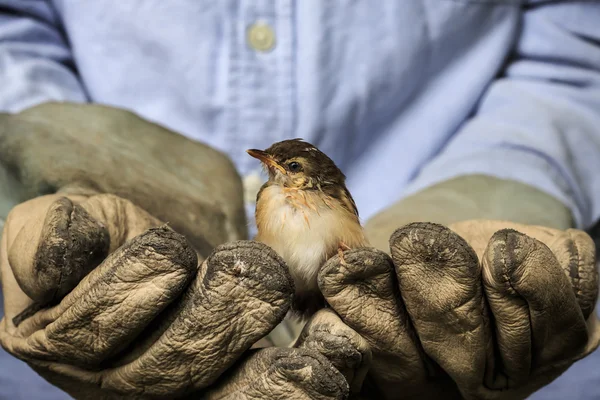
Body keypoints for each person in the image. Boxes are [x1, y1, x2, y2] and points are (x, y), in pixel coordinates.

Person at [1, 1, 600, 399]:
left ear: (307, 177)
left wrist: (509, 181)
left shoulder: (329, 197)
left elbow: (576, 47)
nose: (272, 171)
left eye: (283, 166)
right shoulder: (272, 201)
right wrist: (54, 146)